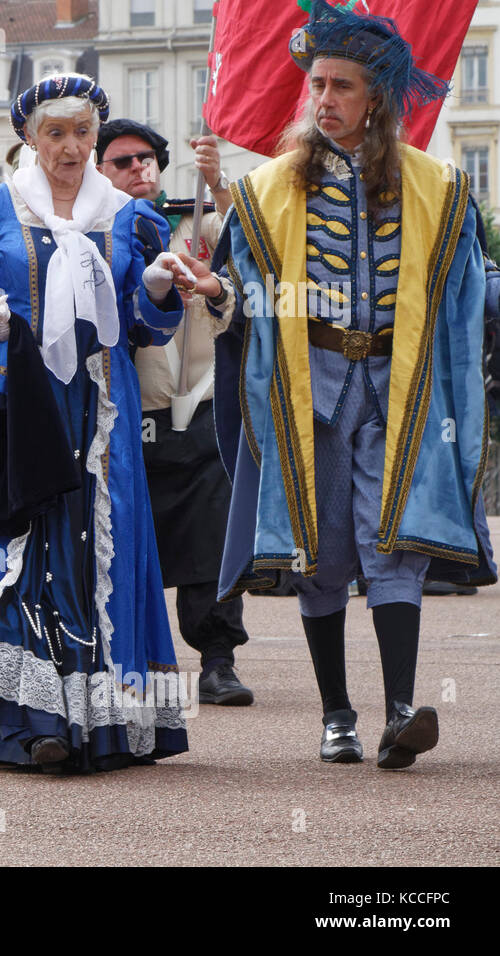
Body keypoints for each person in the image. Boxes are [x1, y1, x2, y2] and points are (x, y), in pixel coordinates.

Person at [180, 0, 498, 768]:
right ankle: (336, 716)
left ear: (377, 99)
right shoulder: (265, 191)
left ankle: (397, 711)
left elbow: (466, 293)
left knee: (393, 547)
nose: (323, 98)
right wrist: (220, 295)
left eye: (341, 86)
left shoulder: (440, 187)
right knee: (318, 555)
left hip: (401, 388)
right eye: (316, 84)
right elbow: (250, 295)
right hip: (307, 389)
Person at [0, 73, 191, 771]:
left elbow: (145, 330)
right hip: (16, 411)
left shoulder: (130, 218)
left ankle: (104, 722)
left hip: (102, 417)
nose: (70, 146)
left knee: (95, 554)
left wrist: (153, 291)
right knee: (21, 549)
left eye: (82, 132)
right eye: (54, 133)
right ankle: (24, 722)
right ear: (29, 138)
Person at [95, 119, 254, 706]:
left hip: (204, 403)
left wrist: (220, 181)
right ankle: (123, 662)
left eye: (147, 159)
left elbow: (253, 244)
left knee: (212, 536)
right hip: (126, 408)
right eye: (122, 161)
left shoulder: (197, 219)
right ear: (98, 170)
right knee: (122, 540)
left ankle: (217, 661)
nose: (139, 169)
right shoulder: (95, 231)